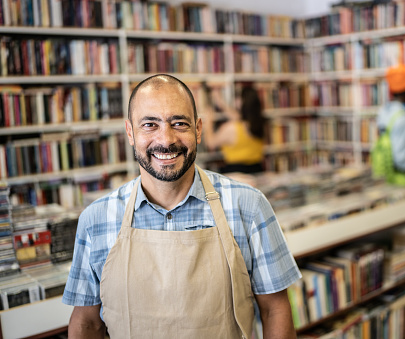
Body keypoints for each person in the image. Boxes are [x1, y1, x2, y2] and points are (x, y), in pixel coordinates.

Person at [62, 74, 301, 338]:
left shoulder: (249, 206)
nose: (166, 139)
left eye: (179, 123)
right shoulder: (95, 220)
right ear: (130, 132)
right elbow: (86, 323)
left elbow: (274, 310)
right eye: (150, 125)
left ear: (198, 129)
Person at [202, 84, 266, 174]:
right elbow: (236, 116)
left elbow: (211, 143)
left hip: (236, 172)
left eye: (237, 98)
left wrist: (208, 122)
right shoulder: (259, 123)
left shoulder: (232, 128)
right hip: (257, 169)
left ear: (242, 102)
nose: (235, 101)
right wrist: (219, 101)